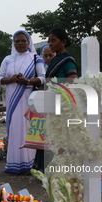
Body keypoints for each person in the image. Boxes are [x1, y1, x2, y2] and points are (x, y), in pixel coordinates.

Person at [0, 30, 45, 174]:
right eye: (17, 41)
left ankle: (29, 162)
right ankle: (14, 162)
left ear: (28, 42)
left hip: (27, 97)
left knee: (26, 126)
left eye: (23, 40)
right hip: (12, 98)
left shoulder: (36, 58)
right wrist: (12, 79)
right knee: (14, 128)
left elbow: (42, 77)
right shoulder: (8, 59)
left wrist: (28, 80)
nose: (20, 43)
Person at [34, 28, 79, 172]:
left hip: (62, 106)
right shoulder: (54, 60)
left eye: (54, 41)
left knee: (60, 139)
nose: (51, 44)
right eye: (49, 41)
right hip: (52, 105)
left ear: (63, 42)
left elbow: (73, 81)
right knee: (50, 138)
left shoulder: (67, 61)